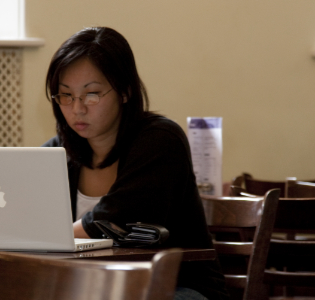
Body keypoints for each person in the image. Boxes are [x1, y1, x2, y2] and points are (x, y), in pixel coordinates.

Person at [42, 27, 229, 300]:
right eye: (65, 95)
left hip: (178, 287)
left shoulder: (160, 140)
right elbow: (26, 216)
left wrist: (43, 237)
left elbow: (115, 220)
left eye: (91, 94)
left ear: (125, 91)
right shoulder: (59, 150)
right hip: (91, 287)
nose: (77, 108)